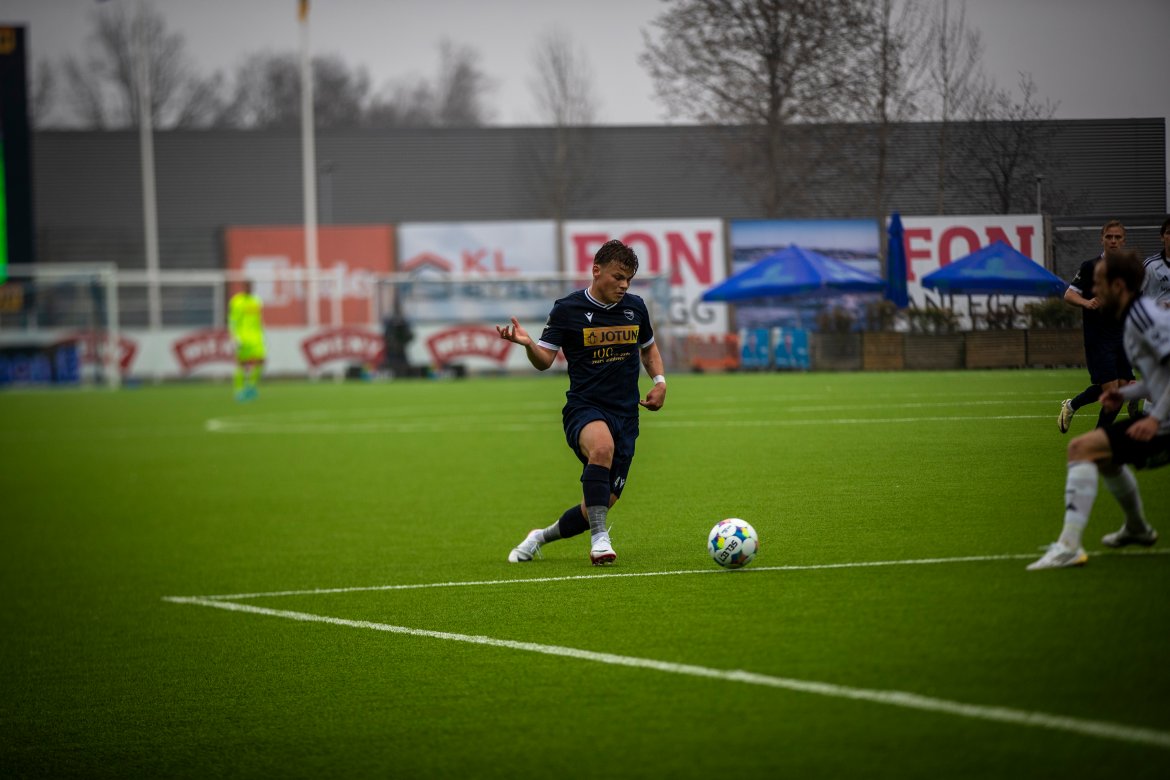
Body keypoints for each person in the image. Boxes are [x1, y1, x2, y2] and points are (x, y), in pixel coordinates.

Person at [496, 239, 667, 566]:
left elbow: (648, 348)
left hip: (626, 416)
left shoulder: (636, 308)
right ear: (596, 270)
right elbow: (545, 360)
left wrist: (660, 382)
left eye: (629, 279)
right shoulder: (568, 309)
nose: (624, 285)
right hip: (585, 408)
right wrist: (529, 344)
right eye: (618, 277)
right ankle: (600, 541)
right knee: (601, 448)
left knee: (597, 505)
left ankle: (539, 537)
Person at [1028, 249, 1166, 570]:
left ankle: (1069, 546)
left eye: (1100, 282)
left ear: (1117, 286)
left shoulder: (1143, 318)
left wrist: (1156, 419)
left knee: (1082, 449)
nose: (1095, 289)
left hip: (1165, 421)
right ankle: (1137, 528)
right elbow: (1159, 378)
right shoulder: (1132, 318)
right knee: (1104, 457)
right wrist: (1126, 393)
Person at [1058, 220, 1136, 433]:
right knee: (1112, 391)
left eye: (1117, 237)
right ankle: (1098, 440)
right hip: (1098, 338)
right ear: (1102, 239)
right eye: (1109, 237)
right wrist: (1086, 302)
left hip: (1121, 337)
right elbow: (1069, 294)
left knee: (1122, 390)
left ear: (1124, 240)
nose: (1113, 241)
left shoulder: (1128, 269)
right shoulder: (1090, 266)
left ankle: (1073, 406)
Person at [228, 279, 265, 401]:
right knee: (242, 364)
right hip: (243, 338)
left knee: (260, 362)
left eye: (251, 286)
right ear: (243, 287)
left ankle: (251, 387)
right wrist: (234, 337)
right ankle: (239, 390)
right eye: (247, 286)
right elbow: (232, 320)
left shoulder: (257, 301)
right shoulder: (237, 301)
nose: (249, 288)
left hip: (256, 338)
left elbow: (258, 320)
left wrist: (262, 333)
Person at [1140, 215, 1170, 306]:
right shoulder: (1150, 264)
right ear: (1162, 237)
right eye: (1169, 233)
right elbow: (1133, 294)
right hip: (1154, 314)